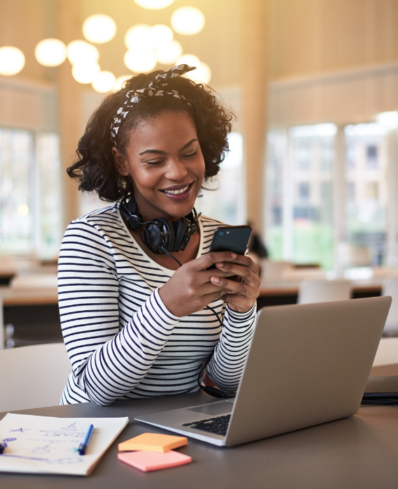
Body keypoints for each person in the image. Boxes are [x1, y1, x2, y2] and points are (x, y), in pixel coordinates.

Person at [59, 64, 260, 406]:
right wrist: (166, 305)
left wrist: (243, 313)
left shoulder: (215, 237)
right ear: (123, 163)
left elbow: (227, 383)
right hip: (100, 431)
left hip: (183, 425)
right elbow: (97, 389)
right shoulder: (90, 238)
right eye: (154, 161)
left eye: (189, 153)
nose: (178, 172)